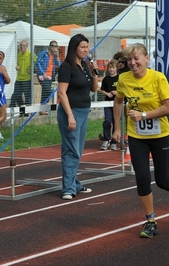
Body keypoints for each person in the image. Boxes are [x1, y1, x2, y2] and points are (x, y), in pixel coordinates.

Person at [112, 43, 169, 238]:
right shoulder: (123, 79)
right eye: (129, 59)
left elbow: (168, 107)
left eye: (136, 59)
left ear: (146, 59)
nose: (133, 63)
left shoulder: (158, 78)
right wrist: (117, 127)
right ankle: (150, 220)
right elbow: (118, 101)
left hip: (160, 135)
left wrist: (144, 115)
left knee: (161, 180)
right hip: (137, 136)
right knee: (142, 177)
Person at [57, 34, 99, 200]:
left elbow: (94, 89)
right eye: (82, 47)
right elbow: (62, 92)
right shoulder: (67, 67)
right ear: (74, 48)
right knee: (71, 150)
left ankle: (74, 182)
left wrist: (95, 72)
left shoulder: (84, 66)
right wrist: (70, 116)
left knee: (77, 150)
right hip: (71, 112)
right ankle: (68, 188)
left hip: (83, 111)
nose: (86, 50)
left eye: (87, 47)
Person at [10, 40, 36, 112]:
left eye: (24, 45)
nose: (22, 47)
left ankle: (26, 111)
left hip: (27, 79)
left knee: (27, 96)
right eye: (21, 45)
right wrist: (17, 67)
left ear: (27, 46)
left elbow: (37, 62)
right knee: (16, 94)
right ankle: (22, 109)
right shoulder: (19, 54)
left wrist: (32, 70)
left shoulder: (30, 54)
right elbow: (18, 64)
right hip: (19, 78)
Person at [36, 40, 61, 115]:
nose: (54, 48)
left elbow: (59, 65)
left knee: (45, 93)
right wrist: (43, 73)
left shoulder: (54, 56)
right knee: (49, 91)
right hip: (43, 76)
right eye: (53, 46)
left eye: (56, 46)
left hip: (50, 77)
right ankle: (43, 108)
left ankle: (42, 109)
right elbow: (37, 63)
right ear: (50, 46)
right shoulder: (44, 53)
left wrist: (58, 56)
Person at [98, 59, 119, 150]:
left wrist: (117, 92)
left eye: (113, 67)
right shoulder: (106, 79)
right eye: (110, 67)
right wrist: (107, 94)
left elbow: (125, 90)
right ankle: (106, 139)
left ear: (116, 69)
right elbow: (101, 89)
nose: (111, 69)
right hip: (107, 102)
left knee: (116, 122)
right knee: (107, 121)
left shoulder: (120, 78)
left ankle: (114, 142)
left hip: (117, 103)